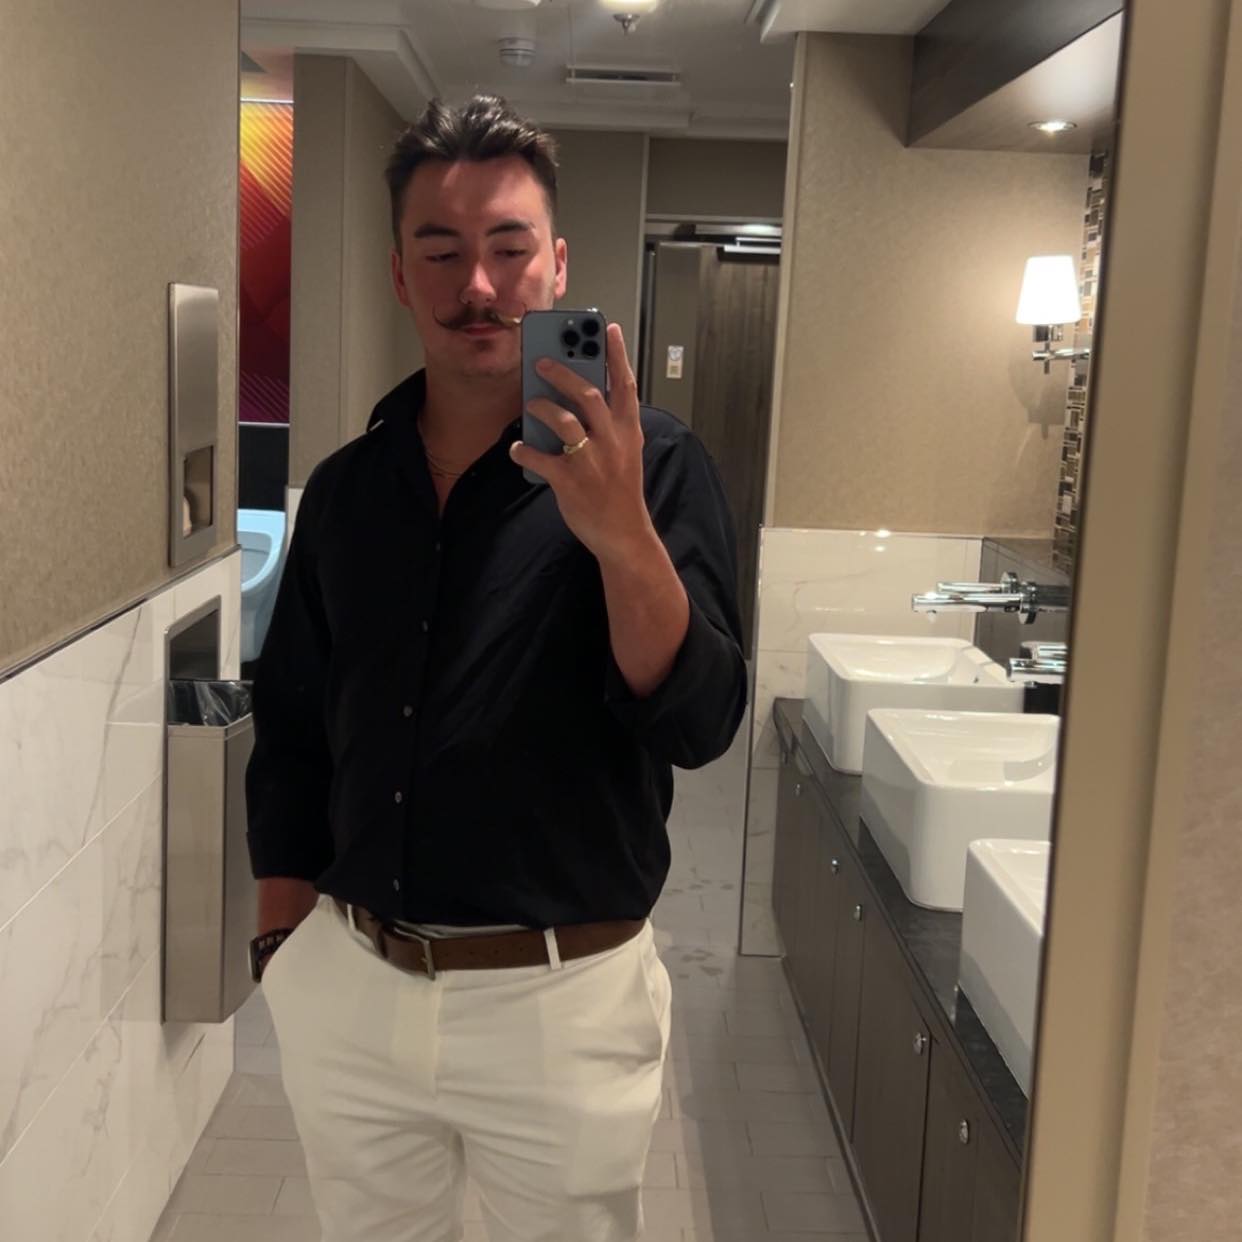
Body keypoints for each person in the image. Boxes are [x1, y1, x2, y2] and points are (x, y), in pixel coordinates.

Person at [244, 93, 748, 1242]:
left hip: (561, 1002)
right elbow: (296, 725)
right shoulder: (348, 490)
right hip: (353, 988)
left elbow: (701, 721)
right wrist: (283, 944)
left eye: (510, 249)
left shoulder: (656, 466)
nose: (478, 285)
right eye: (443, 251)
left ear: (557, 264)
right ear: (399, 274)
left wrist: (621, 536)